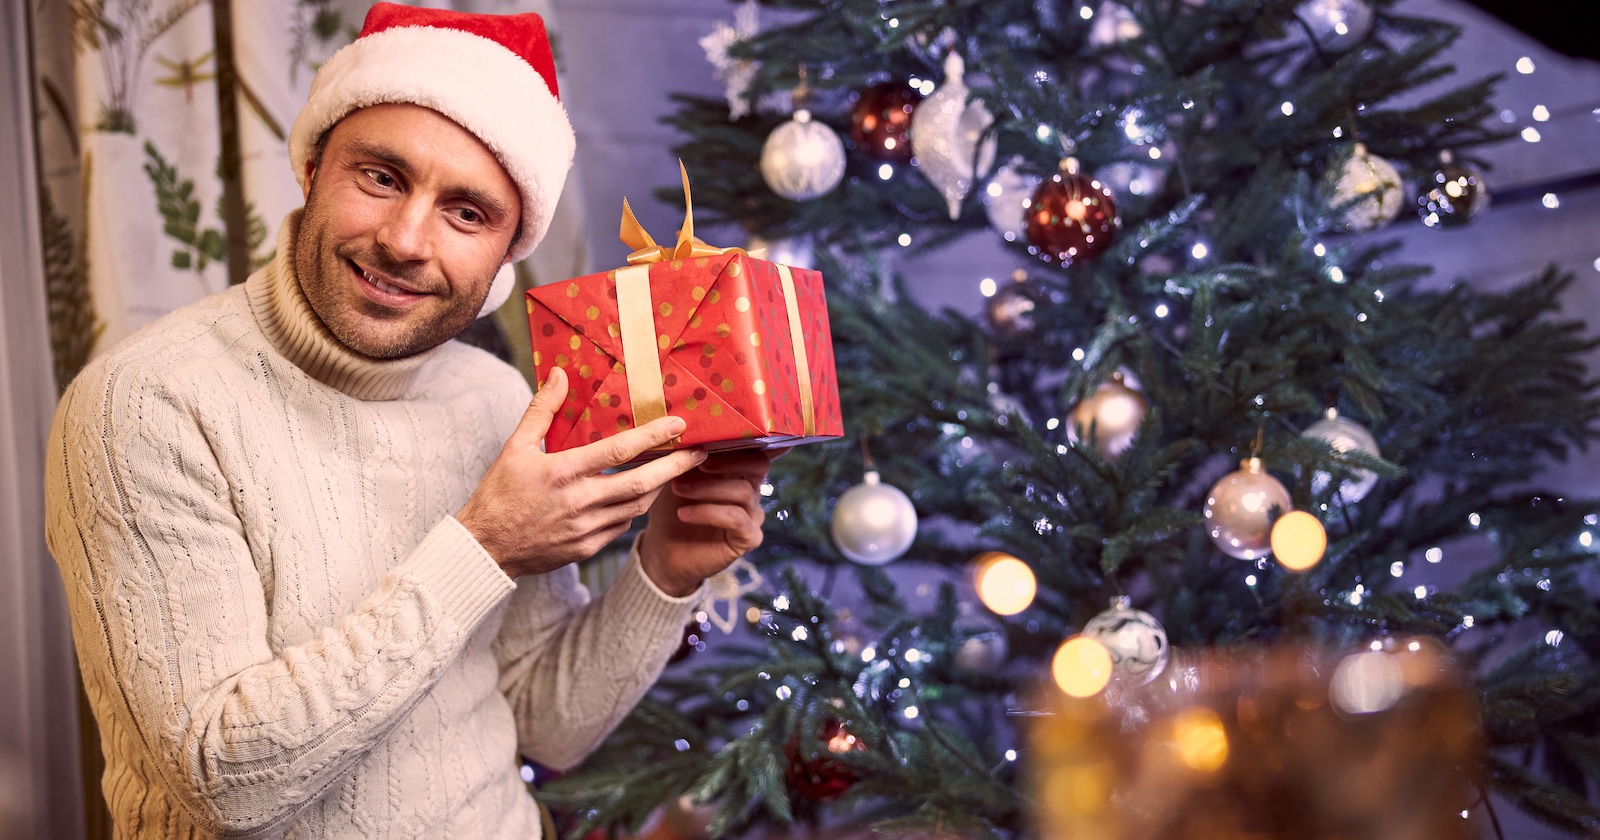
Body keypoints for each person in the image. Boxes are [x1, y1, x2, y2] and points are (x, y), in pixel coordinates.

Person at [43, 5, 772, 837]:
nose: (404, 240)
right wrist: (485, 546)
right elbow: (221, 785)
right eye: (382, 177)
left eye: (467, 213)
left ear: (505, 254)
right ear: (314, 167)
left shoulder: (500, 400)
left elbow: (545, 723)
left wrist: (665, 574)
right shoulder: (145, 405)